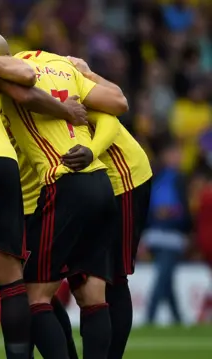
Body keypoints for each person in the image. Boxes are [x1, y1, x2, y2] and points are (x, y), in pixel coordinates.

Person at [0, 48, 128, 359]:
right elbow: (115, 106)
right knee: (93, 295)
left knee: (35, 296)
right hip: (101, 183)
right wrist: (92, 148)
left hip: (62, 184)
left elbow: (26, 95)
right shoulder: (63, 68)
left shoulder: (5, 74)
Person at [67, 56, 154, 359]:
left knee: (114, 276)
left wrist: (89, 73)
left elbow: (116, 105)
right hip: (90, 184)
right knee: (84, 276)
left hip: (124, 179)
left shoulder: (54, 79)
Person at [144, 136, 190, 326]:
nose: (177, 157)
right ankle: (151, 317)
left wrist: (171, 215)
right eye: (174, 153)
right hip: (161, 234)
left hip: (170, 235)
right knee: (164, 276)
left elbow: (184, 210)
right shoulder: (161, 177)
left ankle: (175, 318)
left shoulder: (178, 178)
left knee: (165, 277)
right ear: (165, 155)